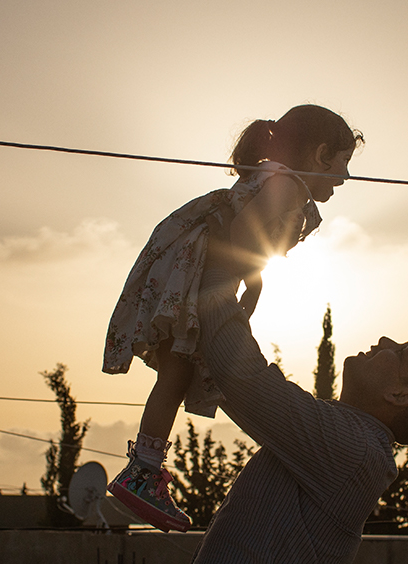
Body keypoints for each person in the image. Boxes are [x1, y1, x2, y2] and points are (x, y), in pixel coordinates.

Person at [166, 220, 408, 564]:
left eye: (400, 352)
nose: (383, 341)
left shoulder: (352, 448)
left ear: (400, 396)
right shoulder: (340, 438)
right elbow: (231, 379)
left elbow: (243, 379)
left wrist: (221, 267)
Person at [102, 105, 363, 532]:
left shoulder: (274, 178)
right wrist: (250, 274)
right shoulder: (288, 185)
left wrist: (252, 279)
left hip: (189, 269)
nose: (347, 175)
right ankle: (142, 474)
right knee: (179, 372)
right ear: (320, 154)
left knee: (175, 372)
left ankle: (144, 468)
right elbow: (245, 232)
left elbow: (244, 231)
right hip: (200, 274)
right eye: (344, 162)